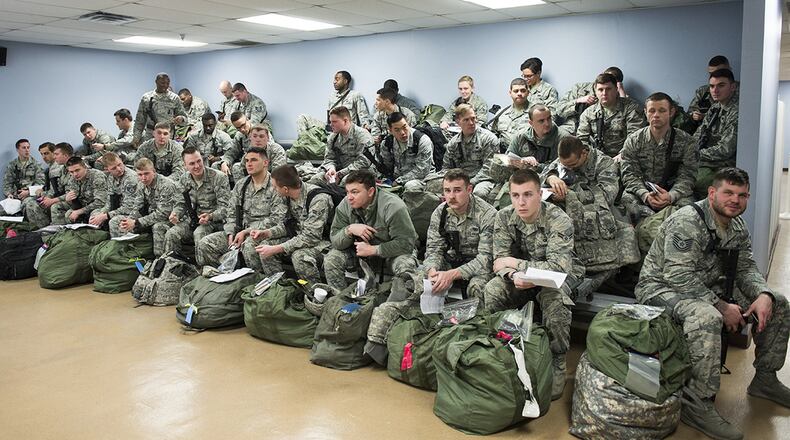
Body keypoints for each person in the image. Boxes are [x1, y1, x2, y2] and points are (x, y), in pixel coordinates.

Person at [636, 168, 790, 440]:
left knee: (778, 303)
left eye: (742, 195)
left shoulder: (736, 225)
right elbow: (677, 275)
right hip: (661, 287)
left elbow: (745, 269)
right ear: (712, 193)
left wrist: (763, 293)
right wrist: (720, 306)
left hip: (707, 285)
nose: (735, 200)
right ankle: (698, 404)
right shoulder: (687, 222)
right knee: (707, 317)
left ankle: (765, 379)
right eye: (728, 193)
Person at [482, 168, 584, 401]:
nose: (521, 202)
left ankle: (557, 359)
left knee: (555, 299)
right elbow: (499, 261)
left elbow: (558, 268)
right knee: (492, 290)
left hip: (558, 279)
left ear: (540, 194)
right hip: (521, 279)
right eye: (515, 195)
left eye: (528, 194)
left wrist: (516, 264)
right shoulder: (504, 217)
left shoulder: (558, 219)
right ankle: (501, 347)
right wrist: (512, 276)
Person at [542, 136, 639, 295]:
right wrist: (551, 177)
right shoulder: (566, 157)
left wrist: (570, 195)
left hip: (601, 212)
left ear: (584, 154)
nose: (569, 169)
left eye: (573, 165)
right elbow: (547, 171)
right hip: (568, 211)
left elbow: (606, 195)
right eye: (565, 165)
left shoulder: (604, 163)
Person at [620, 93, 698, 252]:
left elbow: (688, 176)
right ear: (645, 112)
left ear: (672, 112)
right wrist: (645, 195)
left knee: (690, 212)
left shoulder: (687, 141)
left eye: (662, 110)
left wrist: (671, 196)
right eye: (652, 110)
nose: (656, 115)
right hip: (643, 194)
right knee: (625, 203)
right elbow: (629, 175)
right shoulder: (634, 140)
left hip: (673, 194)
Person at [323, 169, 418, 290]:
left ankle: (395, 306)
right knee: (332, 259)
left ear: (370, 191)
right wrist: (349, 230)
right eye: (347, 192)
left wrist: (374, 249)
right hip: (360, 253)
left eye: (355, 192)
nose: (349, 197)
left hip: (391, 254)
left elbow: (406, 244)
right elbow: (335, 240)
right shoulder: (346, 204)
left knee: (405, 266)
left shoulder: (393, 206)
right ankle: (341, 301)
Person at [197, 147, 285, 268]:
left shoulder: (275, 186)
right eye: (247, 160)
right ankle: (225, 277)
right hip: (239, 231)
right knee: (205, 244)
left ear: (265, 163)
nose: (249, 164)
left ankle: (254, 280)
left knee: (249, 246)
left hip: (261, 233)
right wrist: (230, 233)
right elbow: (231, 213)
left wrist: (247, 232)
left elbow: (276, 219)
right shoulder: (241, 185)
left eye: (253, 160)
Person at [250, 165, 332, 284]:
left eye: (275, 187)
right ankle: (280, 288)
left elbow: (311, 237)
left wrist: (277, 248)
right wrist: (267, 233)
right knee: (265, 247)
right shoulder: (288, 197)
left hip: (323, 242)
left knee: (300, 257)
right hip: (300, 237)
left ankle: (313, 293)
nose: (273, 190)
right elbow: (289, 225)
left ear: (285, 188)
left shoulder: (318, 199)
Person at [475, 104, 571, 204]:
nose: (547, 123)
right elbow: (506, 161)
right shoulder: (521, 137)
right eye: (541, 121)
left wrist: (534, 166)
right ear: (531, 123)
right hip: (521, 181)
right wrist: (520, 161)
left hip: (548, 185)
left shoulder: (563, 139)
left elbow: (565, 170)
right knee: (497, 199)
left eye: (549, 118)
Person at [423, 169, 495, 299]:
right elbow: (434, 249)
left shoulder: (487, 214)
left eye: (457, 190)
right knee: (420, 279)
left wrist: (452, 274)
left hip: (478, 267)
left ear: (469, 190)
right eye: (447, 190)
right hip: (451, 261)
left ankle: (478, 319)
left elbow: (486, 260)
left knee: (478, 288)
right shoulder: (440, 213)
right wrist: (432, 271)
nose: (451, 196)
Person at [164, 147, 231, 259]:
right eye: (192, 163)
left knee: (200, 233)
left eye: (199, 161)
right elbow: (181, 203)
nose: (197, 166)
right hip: (193, 220)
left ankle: (201, 268)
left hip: (214, 222)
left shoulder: (219, 177)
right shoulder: (184, 179)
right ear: (185, 166)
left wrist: (210, 216)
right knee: (171, 234)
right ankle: (172, 265)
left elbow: (226, 208)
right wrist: (176, 214)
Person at [109, 158, 178, 256]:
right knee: (117, 221)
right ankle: (123, 255)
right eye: (140, 175)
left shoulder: (166, 185)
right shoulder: (141, 184)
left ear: (154, 172)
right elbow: (137, 206)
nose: (143, 178)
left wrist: (136, 222)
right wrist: (129, 221)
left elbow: (163, 214)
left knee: (158, 227)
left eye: (146, 174)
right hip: (151, 216)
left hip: (171, 218)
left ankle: (160, 259)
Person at [693, 68, 739, 198]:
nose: (715, 90)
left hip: (723, 165)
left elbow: (725, 150)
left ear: (733, 87)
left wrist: (696, 154)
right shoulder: (715, 108)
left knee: (694, 182)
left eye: (721, 85)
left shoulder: (736, 112)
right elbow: (700, 133)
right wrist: (688, 148)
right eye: (712, 86)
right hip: (706, 160)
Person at [577, 73, 646, 160]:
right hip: (596, 159)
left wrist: (620, 157)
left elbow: (635, 138)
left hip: (625, 157)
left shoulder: (630, 107)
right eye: (600, 90)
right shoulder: (588, 113)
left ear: (616, 89)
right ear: (595, 91)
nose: (604, 93)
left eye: (608, 89)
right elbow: (581, 140)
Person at [557, 66, 633, 134]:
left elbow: (628, 112)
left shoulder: (618, 96)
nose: (604, 92)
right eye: (605, 77)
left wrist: (621, 91)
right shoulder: (579, 88)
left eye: (610, 82)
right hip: (572, 128)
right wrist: (578, 101)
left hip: (597, 134)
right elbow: (559, 110)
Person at [310, 106, 373, 185]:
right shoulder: (333, 137)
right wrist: (331, 169)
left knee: (345, 183)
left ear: (345, 121)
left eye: (334, 122)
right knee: (315, 179)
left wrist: (340, 174)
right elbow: (329, 158)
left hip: (361, 173)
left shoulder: (362, 135)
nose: (331, 125)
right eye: (330, 122)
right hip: (340, 171)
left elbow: (364, 162)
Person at [375, 111, 434, 191]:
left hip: (422, 179)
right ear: (390, 130)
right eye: (397, 130)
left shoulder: (422, 140)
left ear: (408, 124)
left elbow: (422, 170)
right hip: (396, 179)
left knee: (410, 187)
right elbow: (387, 166)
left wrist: (399, 181)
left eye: (404, 127)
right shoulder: (387, 143)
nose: (402, 133)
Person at [443, 104, 498, 188]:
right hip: (460, 179)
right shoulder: (453, 143)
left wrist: (469, 183)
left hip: (483, 179)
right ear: (458, 122)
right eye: (466, 120)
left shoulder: (488, 139)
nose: (471, 123)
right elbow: (446, 167)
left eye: (473, 118)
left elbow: (489, 169)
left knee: (479, 192)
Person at [25, 142, 73, 227]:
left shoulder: (60, 168)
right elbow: (56, 189)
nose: (43, 157)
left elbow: (66, 192)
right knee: (30, 203)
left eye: (46, 153)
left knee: (32, 204)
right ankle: (42, 230)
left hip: (70, 199)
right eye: (42, 154)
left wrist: (48, 197)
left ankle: (47, 229)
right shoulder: (61, 168)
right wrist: (44, 196)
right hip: (63, 197)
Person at [222, 120, 286, 184]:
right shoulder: (250, 152)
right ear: (250, 138)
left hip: (272, 183)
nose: (258, 139)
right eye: (255, 136)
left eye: (261, 136)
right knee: (237, 167)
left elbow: (277, 174)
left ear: (268, 138)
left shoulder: (277, 150)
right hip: (254, 181)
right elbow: (243, 166)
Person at [89, 152, 139, 230]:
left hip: (135, 211)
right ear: (106, 169)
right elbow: (109, 202)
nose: (119, 169)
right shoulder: (111, 178)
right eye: (113, 168)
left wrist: (106, 216)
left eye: (119, 164)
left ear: (122, 160)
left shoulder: (131, 178)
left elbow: (129, 207)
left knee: (114, 221)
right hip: (120, 209)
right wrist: (101, 214)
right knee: (95, 214)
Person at [50, 156, 107, 225]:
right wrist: (68, 199)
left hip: (97, 207)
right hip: (82, 205)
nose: (75, 174)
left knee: (94, 217)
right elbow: (75, 199)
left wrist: (79, 212)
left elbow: (100, 202)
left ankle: (93, 234)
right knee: (56, 207)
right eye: (71, 172)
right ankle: (61, 231)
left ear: (85, 167)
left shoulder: (97, 176)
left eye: (77, 170)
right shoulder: (72, 179)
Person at [132, 72, 186, 143]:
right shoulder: (147, 98)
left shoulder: (174, 98)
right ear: (156, 82)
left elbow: (185, 118)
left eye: (167, 83)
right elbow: (140, 120)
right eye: (162, 83)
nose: (165, 85)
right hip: (151, 135)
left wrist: (181, 119)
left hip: (168, 135)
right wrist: (136, 137)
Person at [688, 55, 739, 128]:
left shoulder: (744, 90)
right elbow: (690, 111)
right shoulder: (703, 91)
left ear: (729, 69)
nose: (715, 75)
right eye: (711, 73)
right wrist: (694, 115)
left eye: (719, 72)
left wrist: (705, 116)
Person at [2, 139, 45, 216]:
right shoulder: (12, 165)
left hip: (30, 196)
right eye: (24, 148)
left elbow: (40, 183)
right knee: (2, 210)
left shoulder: (36, 165)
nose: (27, 150)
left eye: (28, 147)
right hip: (14, 196)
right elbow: (7, 183)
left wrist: (28, 192)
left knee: (28, 205)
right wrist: (9, 194)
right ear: (18, 150)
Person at [486, 78, 530, 147]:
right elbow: (493, 135)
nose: (519, 93)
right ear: (510, 93)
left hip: (530, 155)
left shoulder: (536, 113)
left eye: (523, 91)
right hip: (506, 155)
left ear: (528, 92)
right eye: (516, 91)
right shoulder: (501, 114)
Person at [520, 57, 559, 122]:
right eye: (524, 76)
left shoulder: (549, 90)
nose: (526, 79)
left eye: (529, 76)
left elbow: (552, 117)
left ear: (538, 73)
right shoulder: (523, 89)